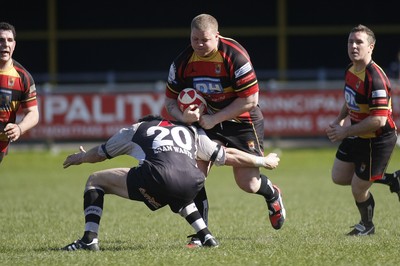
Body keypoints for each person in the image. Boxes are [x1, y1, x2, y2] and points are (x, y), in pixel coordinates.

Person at [61, 115, 281, 251]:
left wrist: (80, 158)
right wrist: (264, 160)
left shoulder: (137, 128)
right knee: (176, 190)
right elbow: (228, 155)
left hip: (158, 177)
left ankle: (89, 239)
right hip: (194, 182)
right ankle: (207, 236)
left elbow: (101, 153)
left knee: (95, 180)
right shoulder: (192, 130)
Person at [164, 14, 285, 246]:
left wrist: (215, 118)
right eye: (194, 39)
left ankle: (272, 194)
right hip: (206, 122)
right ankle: (201, 234)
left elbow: (251, 99)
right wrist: (184, 117)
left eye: (205, 40)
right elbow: (169, 103)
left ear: (217, 36)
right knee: (193, 177)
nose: (199, 44)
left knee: (247, 184)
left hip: (242, 121)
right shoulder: (182, 62)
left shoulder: (234, 56)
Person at [326, 24, 400, 236]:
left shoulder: (375, 79)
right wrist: (340, 120)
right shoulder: (350, 69)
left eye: (359, 42)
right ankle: (392, 179)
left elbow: (378, 120)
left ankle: (366, 226)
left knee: (358, 187)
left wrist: (345, 132)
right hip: (357, 133)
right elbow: (350, 99)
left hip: (377, 139)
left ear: (371, 47)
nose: (354, 46)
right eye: (351, 41)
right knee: (339, 176)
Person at [0, 22, 39, 165]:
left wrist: (19, 128)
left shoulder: (23, 77)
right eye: (1, 40)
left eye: (9, 40)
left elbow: (33, 113)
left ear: (14, 45)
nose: (5, 44)